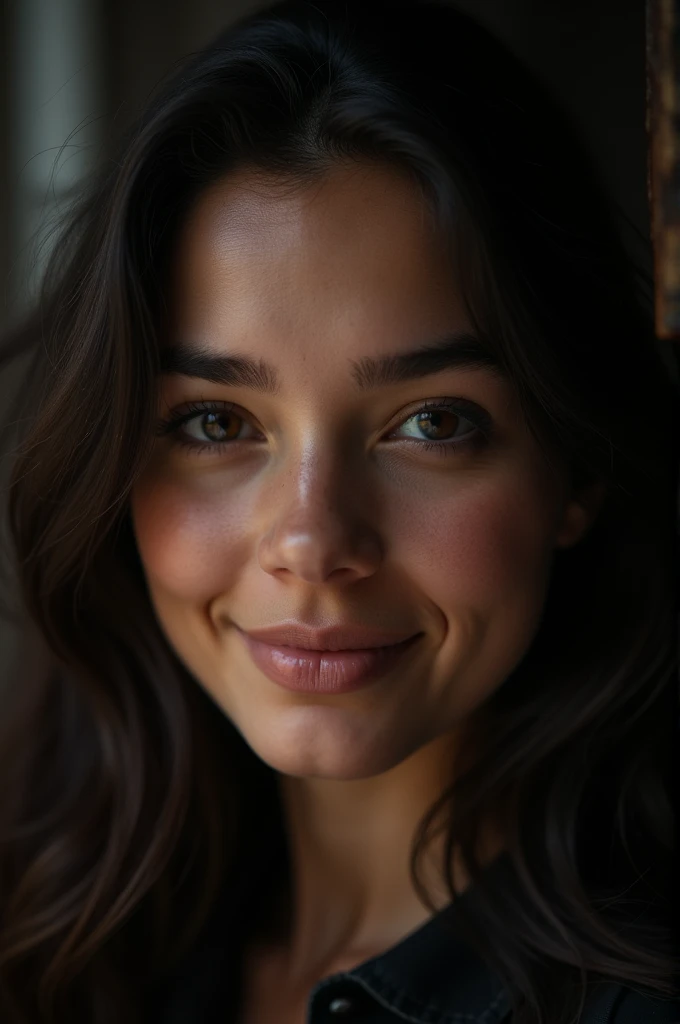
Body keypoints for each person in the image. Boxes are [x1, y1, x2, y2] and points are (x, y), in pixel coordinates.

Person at [0, 1, 677, 1021]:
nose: (312, 542)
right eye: (218, 424)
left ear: (573, 469)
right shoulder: (62, 953)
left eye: (431, 422)